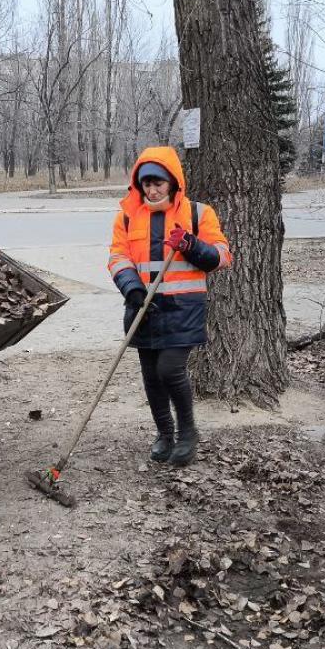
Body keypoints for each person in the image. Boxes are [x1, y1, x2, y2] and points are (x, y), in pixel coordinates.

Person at [107, 147, 231, 466]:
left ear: (173, 182)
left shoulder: (198, 214)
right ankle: (164, 433)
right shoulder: (126, 216)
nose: (152, 189)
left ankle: (188, 434)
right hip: (143, 309)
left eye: (159, 182)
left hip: (182, 309)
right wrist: (132, 289)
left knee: (169, 369)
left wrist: (191, 245)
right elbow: (118, 257)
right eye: (146, 183)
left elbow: (221, 257)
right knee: (151, 375)